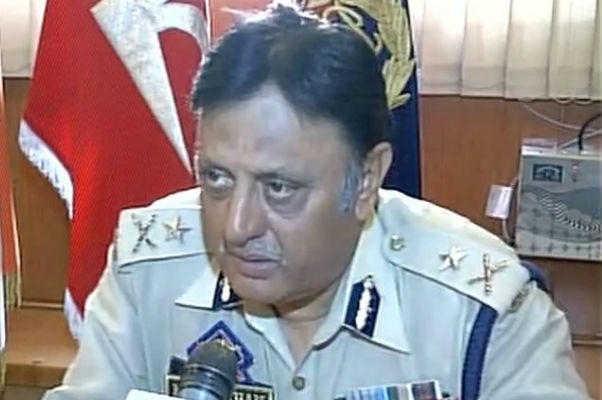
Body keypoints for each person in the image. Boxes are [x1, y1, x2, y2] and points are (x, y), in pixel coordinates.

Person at [43, 3, 591, 399]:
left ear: (366, 180)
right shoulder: (147, 270)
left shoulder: (482, 310)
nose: (236, 226)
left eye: (279, 188)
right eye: (217, 178)